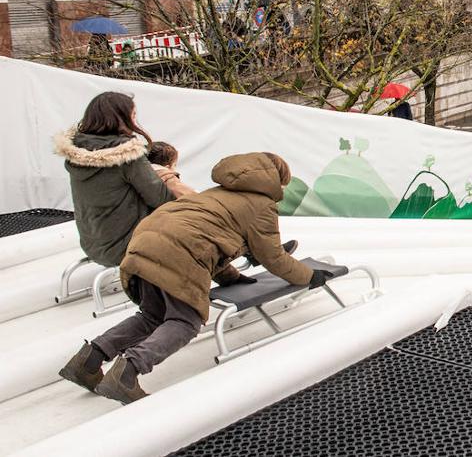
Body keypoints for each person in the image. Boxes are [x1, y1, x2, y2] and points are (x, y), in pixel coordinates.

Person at [58, 152, 323, 403]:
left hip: (144, 243)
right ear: (276, 180)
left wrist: (230, 277)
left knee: (152, 316)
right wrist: (310, 275)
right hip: (178, 253)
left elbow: (208, 240)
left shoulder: (218, 193)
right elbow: (274, 257)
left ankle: (88, 362)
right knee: (185, 321)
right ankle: (127, 373)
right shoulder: (261, 205)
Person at [54, 92, 186, 268]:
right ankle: (221, 278)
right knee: (190, 216)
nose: (135, 121)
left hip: (94, 246)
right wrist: (168, 175)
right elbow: (161, 199)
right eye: (133, 115)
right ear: (121, 119)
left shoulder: (76, 152)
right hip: (127, 247)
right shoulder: (127, 155)